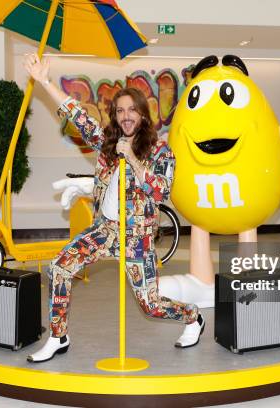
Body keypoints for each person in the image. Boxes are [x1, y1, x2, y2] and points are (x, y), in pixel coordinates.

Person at [23, 54, 204, 363]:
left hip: (138, 237)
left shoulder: (161, 150)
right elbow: (77, 115)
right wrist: (44, 81)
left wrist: (133, 159)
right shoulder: (108, 141)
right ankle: (58, 336)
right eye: (120, 111)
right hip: (104, 229)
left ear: (143, 115)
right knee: (59, 267)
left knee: (150, 305)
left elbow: (161, 190)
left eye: (132, 110)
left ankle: (193, 317)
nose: (126, 116)